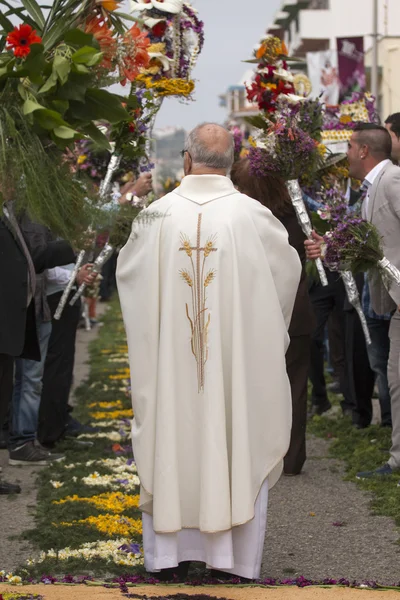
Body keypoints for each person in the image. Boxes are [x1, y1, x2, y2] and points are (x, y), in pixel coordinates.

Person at [117, 123, 301, 580]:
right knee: (235, 434)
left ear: (185, 159)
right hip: (233, 368)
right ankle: (231, 561)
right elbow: (286, 276)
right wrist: (254, 335)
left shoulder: (155, 216)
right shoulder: (252, 216)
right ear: (231, 161)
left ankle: (169, 557)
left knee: (171, 437)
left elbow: (131, 283)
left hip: (172, 372)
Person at [307, 124, 400, 478]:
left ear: (363, 151)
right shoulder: (374, 187)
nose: (344, 153)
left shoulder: (392, 181)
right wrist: (326, 244)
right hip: (393, 305)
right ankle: (396, 460)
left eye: (348, 146)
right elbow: (360, 241)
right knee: (394, 381)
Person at [231, 157, 314, 476]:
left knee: (252, 385)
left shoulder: (241, 218)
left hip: (254, 312)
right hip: (296, 311)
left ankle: (254, 455)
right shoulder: (296, 215)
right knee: (294, 386)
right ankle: (292, 457)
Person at [0, 201, 75, 493]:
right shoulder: (20, 209)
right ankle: (21, 440)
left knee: (18, 384)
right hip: (16, 310)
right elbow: (33, 256)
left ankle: (22, 440)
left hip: (26, 307)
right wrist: (71, 248)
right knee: (27, 380)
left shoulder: (14, 210)